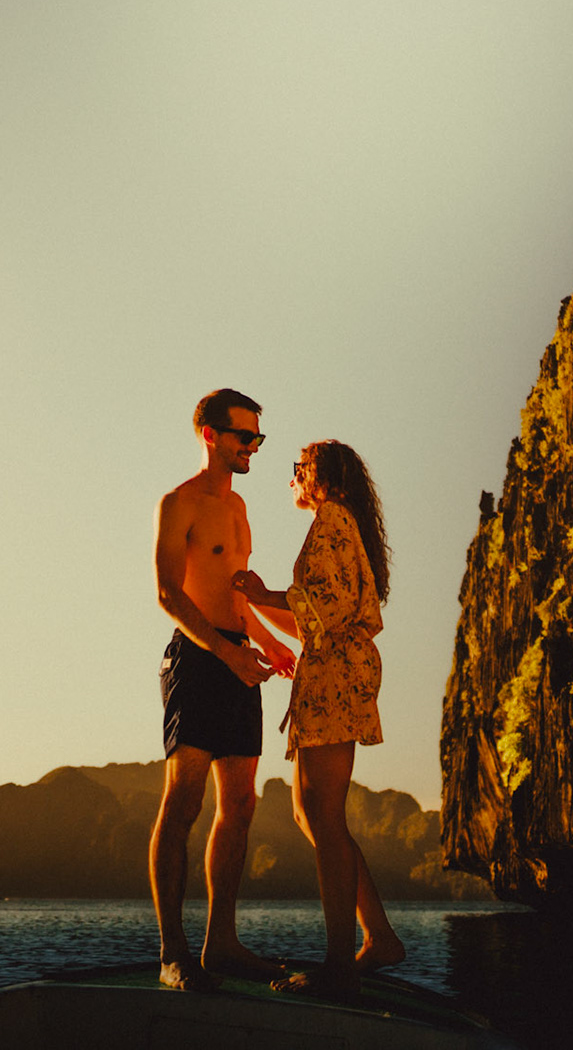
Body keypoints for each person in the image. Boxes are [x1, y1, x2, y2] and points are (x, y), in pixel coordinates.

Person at [232, 439, 405, 1000]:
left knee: (323, 816)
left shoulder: (332, 518)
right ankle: (377, 938)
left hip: (335, 675)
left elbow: (323, 604)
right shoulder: (341, 522)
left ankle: (339, 965)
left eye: (298, 469)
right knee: (313, 815)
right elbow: (314, 622)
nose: (292, 479)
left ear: (320, 476)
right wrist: (260, 604)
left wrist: (260, 594)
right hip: (330, 667)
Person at [150, 388, 297, 992]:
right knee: (183, 802)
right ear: (211, 434)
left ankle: (222, 944)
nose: (253, 448)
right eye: (245, 436)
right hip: (198, 659)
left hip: (239, 659)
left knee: (239, 805)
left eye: (258, 438)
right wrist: (227, 651)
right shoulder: (178, 503)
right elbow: (168, 594)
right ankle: (172, 953)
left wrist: (264, 641)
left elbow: (236, 591)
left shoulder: (239, 511)